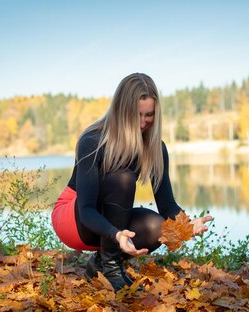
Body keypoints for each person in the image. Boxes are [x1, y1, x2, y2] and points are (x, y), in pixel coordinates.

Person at [51, 73, 212, 291]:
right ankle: (110, 266)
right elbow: (87, 208)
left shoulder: (155, 148)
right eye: (137, 115)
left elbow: (166, 205)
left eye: (150, 115)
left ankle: (99, 265)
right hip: (74, 218)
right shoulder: (93, 141)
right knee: (122, 179)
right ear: (121, 110)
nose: (143, 122)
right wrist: (115, 234)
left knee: (157, 227)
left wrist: (186, 225)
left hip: (109, 223)